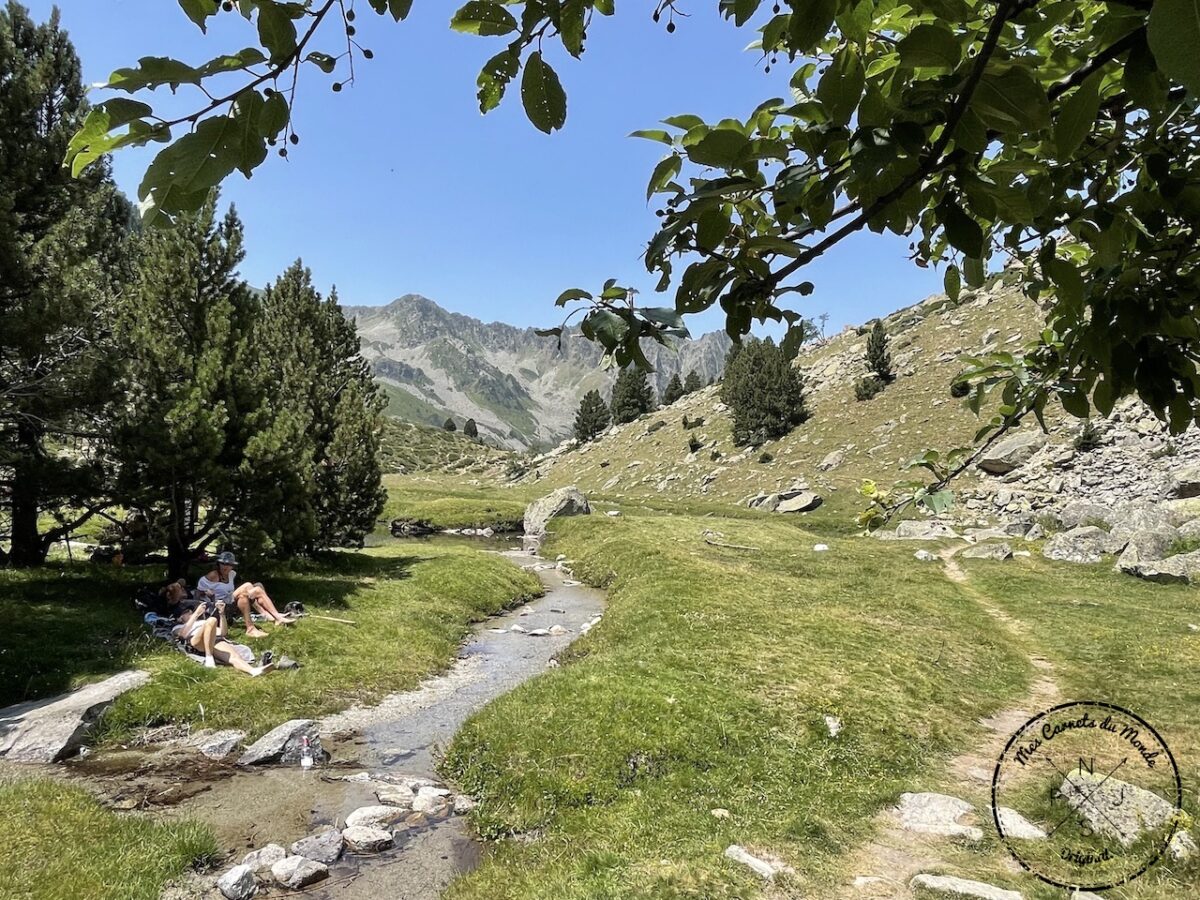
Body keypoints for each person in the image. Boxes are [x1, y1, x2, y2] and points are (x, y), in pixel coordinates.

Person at [196, 551, 293, 638]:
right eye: (223, 563)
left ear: (232, 566)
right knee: (249, 586)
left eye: (229, 564)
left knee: (252, 591)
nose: (225, 566)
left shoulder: (232, 574)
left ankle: (272, 618)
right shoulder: (213, 575)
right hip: (217, 607)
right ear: (219, 564)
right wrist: (205, 592)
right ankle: (274, 617)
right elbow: (198, 592)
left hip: (228, 602)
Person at [172, 600, 275, 676]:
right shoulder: (178, 627)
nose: (190, 613)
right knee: (212, 620)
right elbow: (182, 635)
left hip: (214, 640)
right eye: (187, 612)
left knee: (233, 656)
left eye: (191, 611)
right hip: (196, 641)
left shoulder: (203, 622)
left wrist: (222, 613)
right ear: (179, 618)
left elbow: (223, 632)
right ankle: (209, 658)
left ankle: (253, 671)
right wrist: (196, 614)